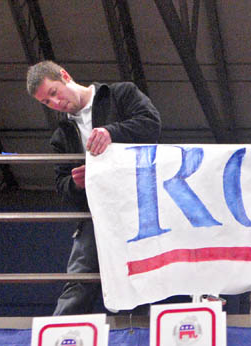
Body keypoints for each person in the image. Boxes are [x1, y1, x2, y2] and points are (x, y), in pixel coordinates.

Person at [27, 61, 161, 315]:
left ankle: (145, 345)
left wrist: (112, 132)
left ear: (65, 76)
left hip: (140, 207)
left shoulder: (121, 94)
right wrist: (77, 185)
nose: (55, 103)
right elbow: (62, 188)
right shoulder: (62, 135)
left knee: (144, 280)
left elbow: (151, 125)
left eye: (54, 93)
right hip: (96, 215)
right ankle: (57, 342)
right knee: (79, 283)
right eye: (46, 102)